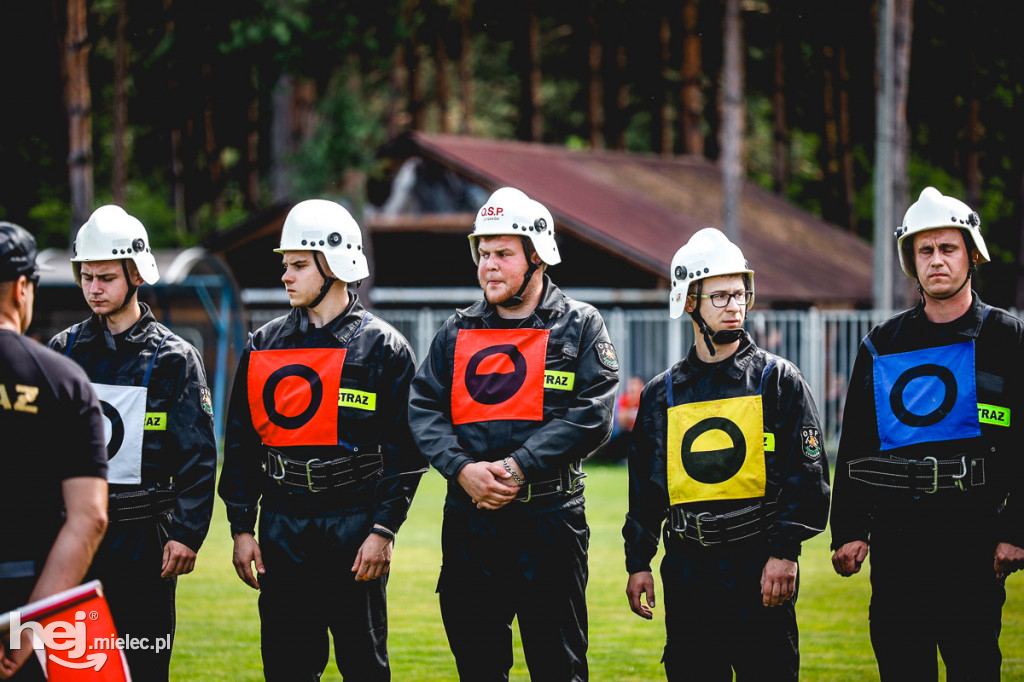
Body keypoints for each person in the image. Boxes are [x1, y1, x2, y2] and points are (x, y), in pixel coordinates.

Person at [408, 187, 619, 681]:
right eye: (483, 254)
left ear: (538, 256)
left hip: (551, 523)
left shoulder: (582, 326)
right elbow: (422, 409)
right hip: (469, 525)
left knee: (558, 668)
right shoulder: (455, 331)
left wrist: (516, 466)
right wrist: (462, 470)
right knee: (477, 668)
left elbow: (593, 414)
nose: (489, 265)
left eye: (503, 253)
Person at [218, 199, 426, 681]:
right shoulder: (263, 344)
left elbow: (406, 453)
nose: (286, 276)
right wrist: (241, 527)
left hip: (355, 526)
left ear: (334, 265)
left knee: (363, 665)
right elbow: (242, 443)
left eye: (297, 265)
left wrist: (384, 530)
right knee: (287, 667)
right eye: (284, 265)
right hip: (282, 523)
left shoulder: (385, 348)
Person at [830, 187, 1024, 681]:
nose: (936, 260)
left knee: (975, 667)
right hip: (899, 543)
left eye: (948, 248)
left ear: (971, 254)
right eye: (925, 250)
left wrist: (1016, 530)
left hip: (974, 540)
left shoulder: (1006, 337)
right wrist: (849, 528)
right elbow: (857, 443)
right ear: (911, 262)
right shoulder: (880, 345)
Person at [622, 227, 831, 681]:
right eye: (719, 296)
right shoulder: (663, 393)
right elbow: (646, 489)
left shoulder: (778, 380)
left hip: (758, 564)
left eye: (739, 294)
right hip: (687, 570)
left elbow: (807, 475)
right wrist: (638, 561)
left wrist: (785, 553)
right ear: (689, 302)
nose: (734, 305)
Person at [47, 205, 217, 682]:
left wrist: (187, 532)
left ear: (136, 274)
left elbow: (199, 456)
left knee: (144, 665)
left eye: (105, 277)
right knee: (75, 669)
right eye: (87, 277)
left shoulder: (175, 359)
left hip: (146, 538)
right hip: (76, 534)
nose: (94, 288)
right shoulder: (63, 350)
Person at [0, 222, 108, 680]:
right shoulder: (62, 378)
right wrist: (25, 629)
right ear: (23, 288)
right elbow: (90, 517)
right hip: (34, 594)